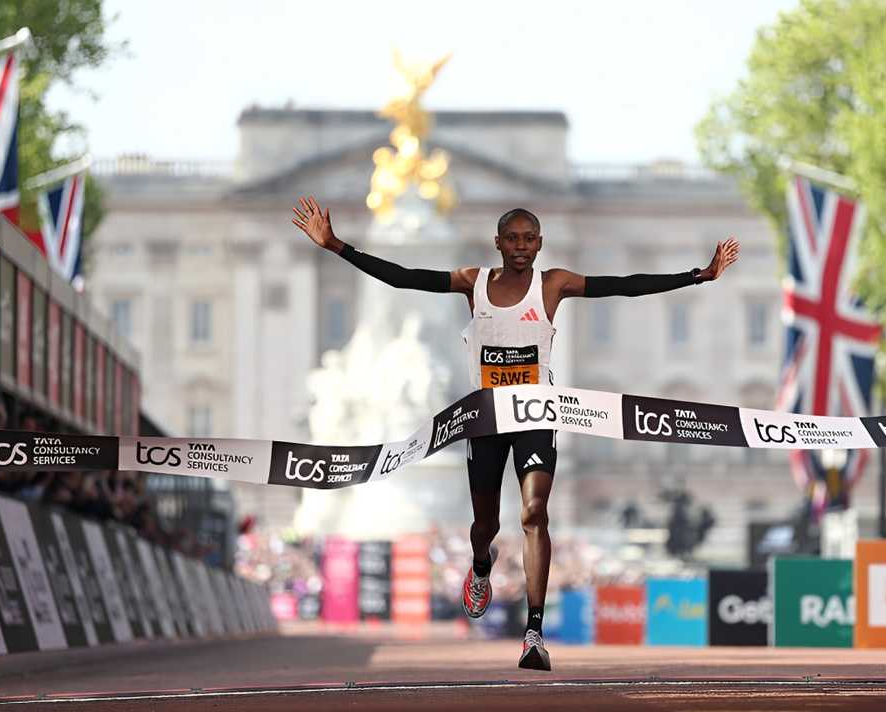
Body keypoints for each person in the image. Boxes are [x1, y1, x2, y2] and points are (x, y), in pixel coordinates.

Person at [292, 196, 739, 670]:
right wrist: (336, 245)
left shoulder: (554, 285)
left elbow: (624, 285)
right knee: (485, 526)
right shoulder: (473, 283)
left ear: (540, 243)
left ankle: (534, 631)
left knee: (534, 513)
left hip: (536, 415)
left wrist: (698, 275)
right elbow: (406, 277)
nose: (521, 247)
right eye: (513, 239)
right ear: (498, 243)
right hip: (486, 419)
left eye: (529, 239)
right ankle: (481, 564)